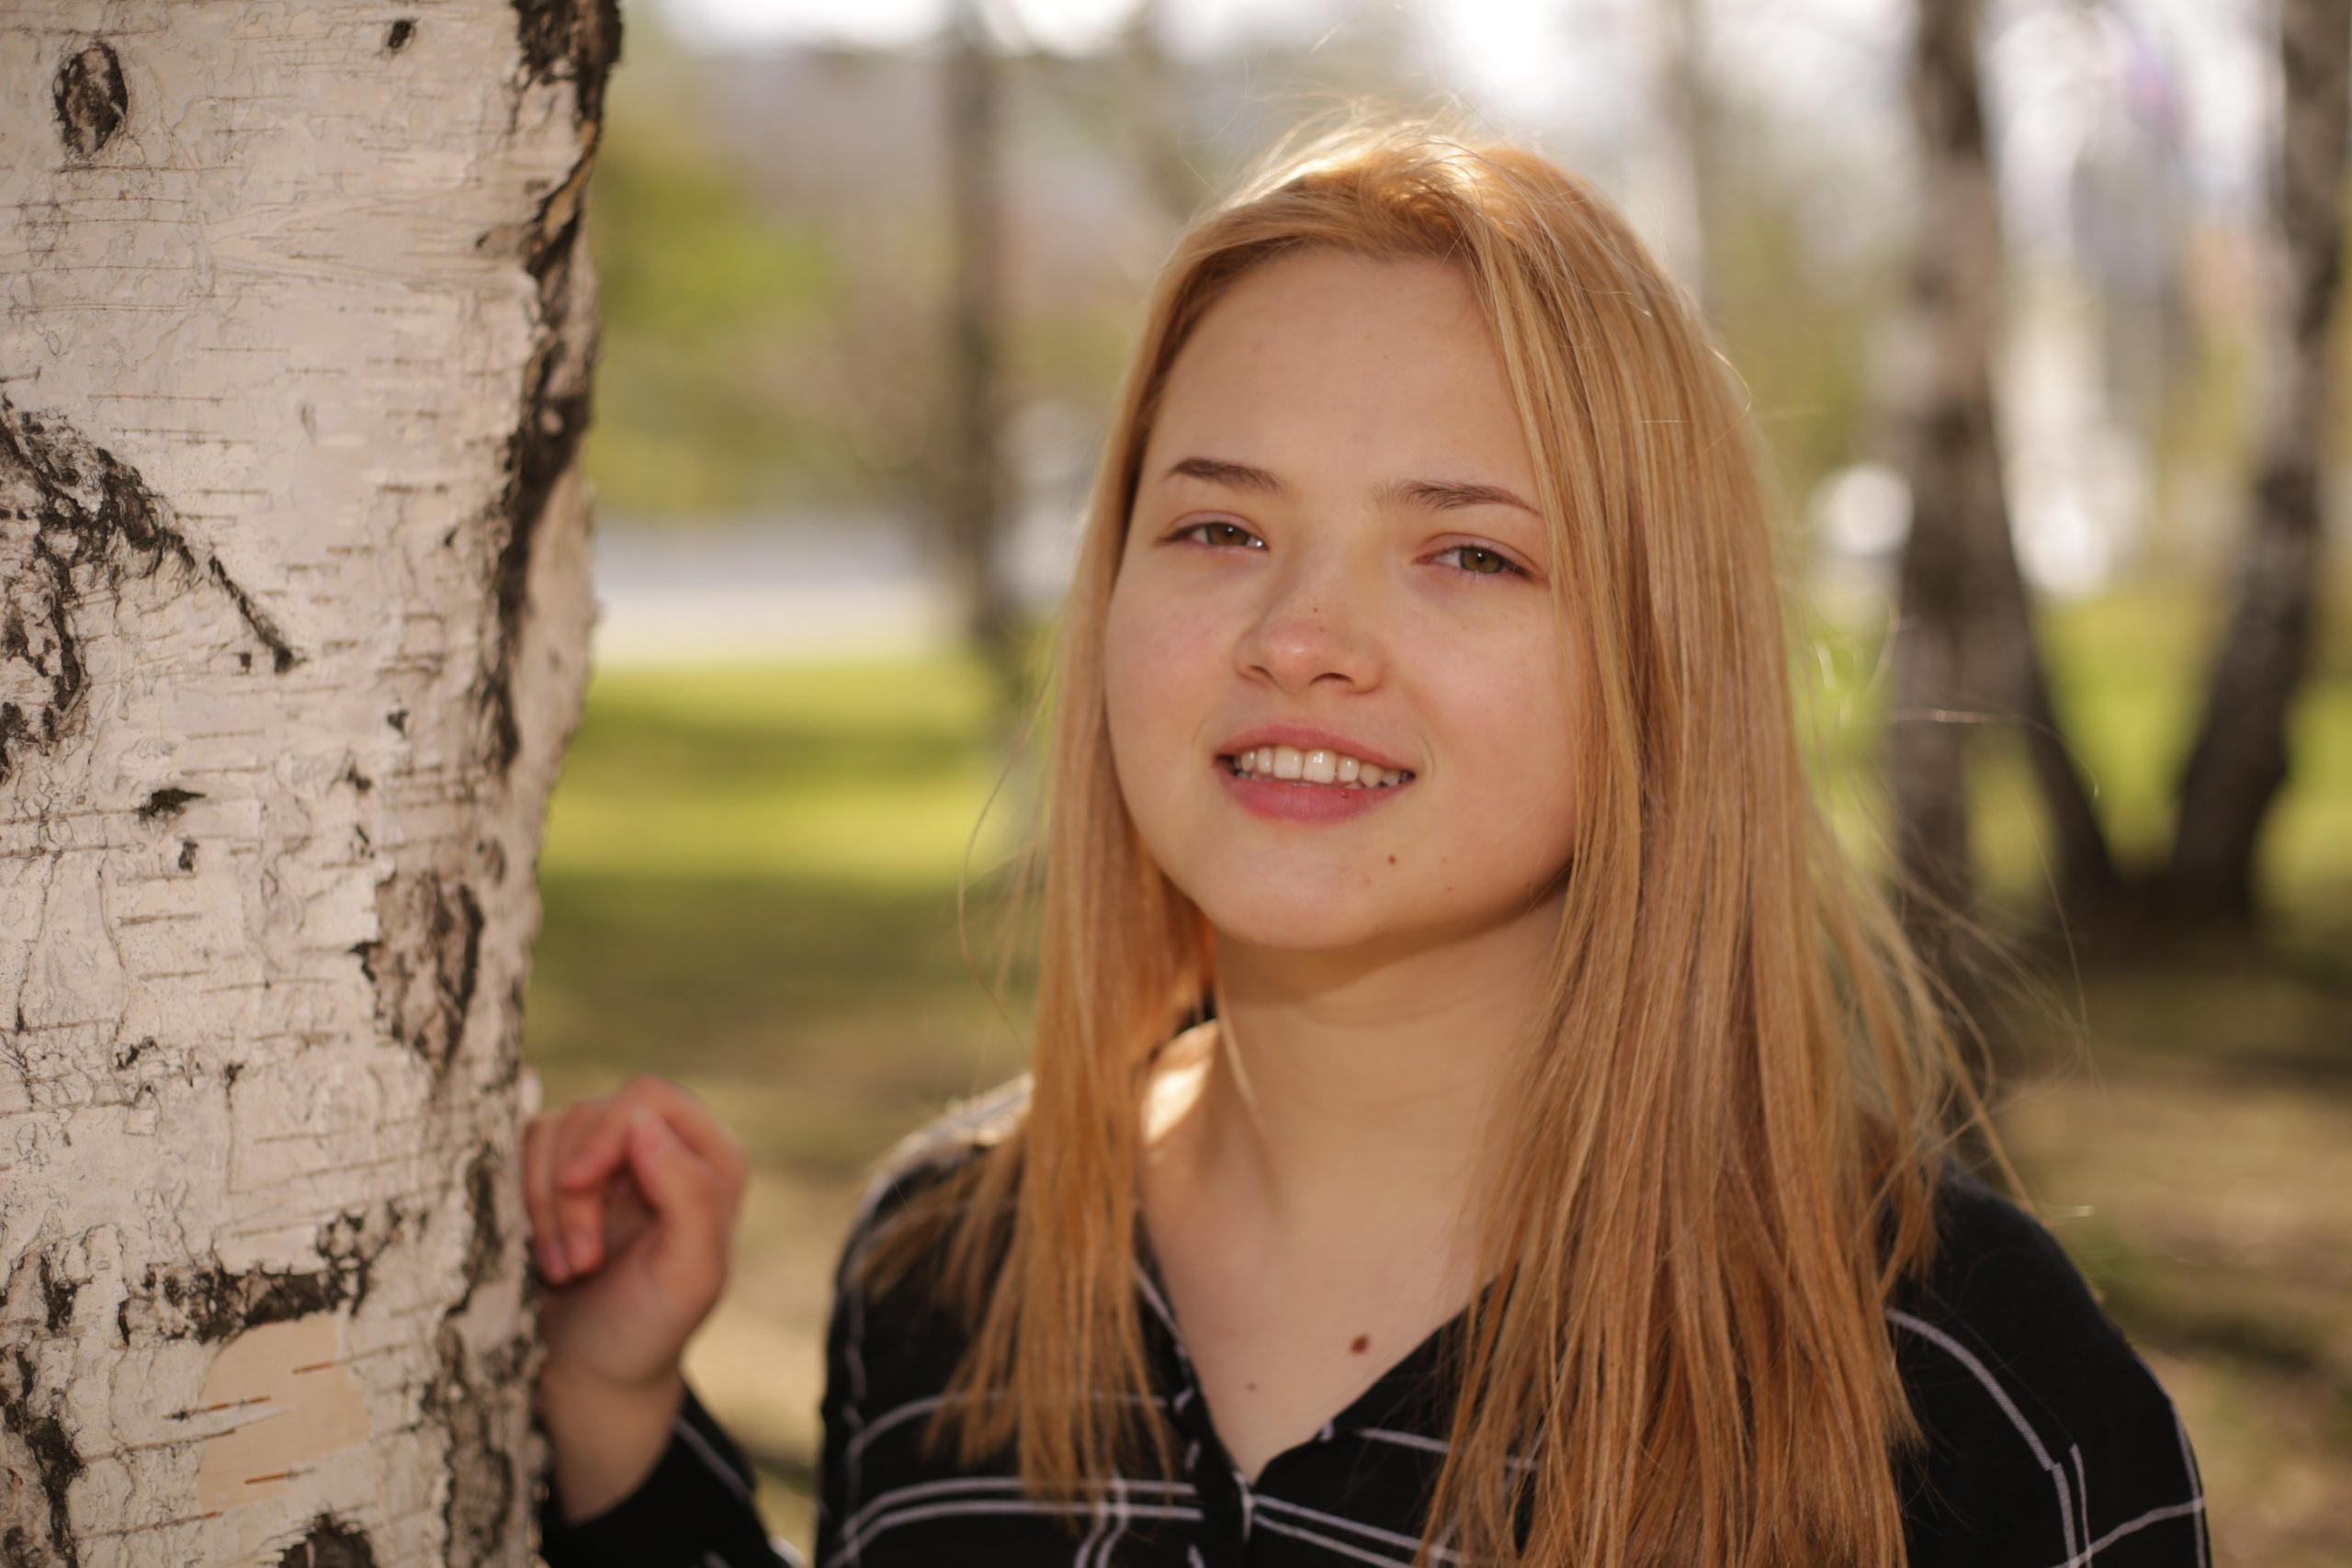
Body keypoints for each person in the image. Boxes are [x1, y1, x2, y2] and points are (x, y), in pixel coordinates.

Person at [522, 125, 2208, 1568]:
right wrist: (610, 1416)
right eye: (1219, 527)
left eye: (1469, 554)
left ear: (1659, 665)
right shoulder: (949, 1270)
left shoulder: (1961, 1390)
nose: (1301, 632)